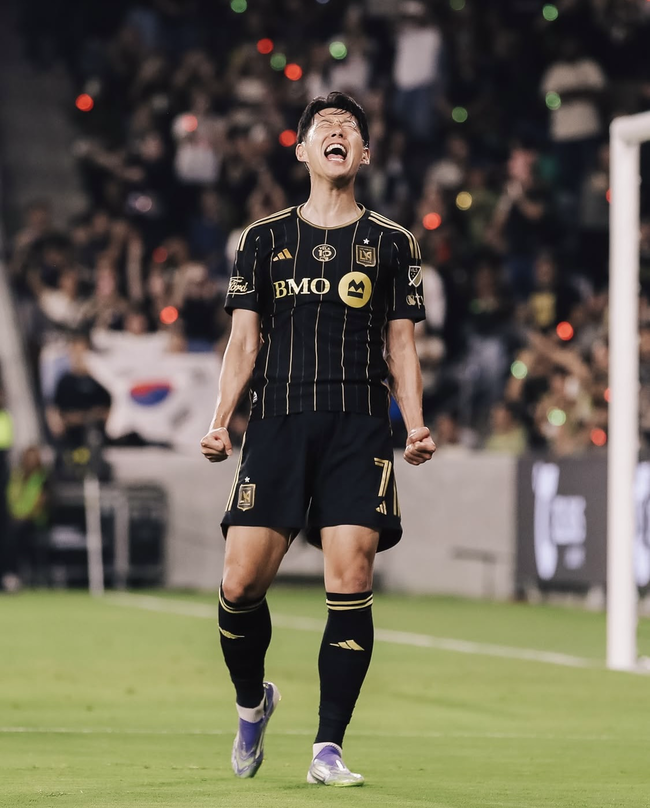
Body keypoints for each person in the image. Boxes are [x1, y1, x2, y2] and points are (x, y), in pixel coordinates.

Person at [200, 92, 435, 784]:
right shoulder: (263, 239)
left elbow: (402, 346)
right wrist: (220, 419)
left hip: (357, 427)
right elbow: (244, 342)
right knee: (239, 584)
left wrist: (414, 423)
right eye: (324, 127)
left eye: (350, 127)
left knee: (351, 576)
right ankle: (253, 703)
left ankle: (327, 748)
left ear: (365, 154)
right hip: (276, 424)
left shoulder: (394, 242)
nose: (338, 131)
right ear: (301, 150)